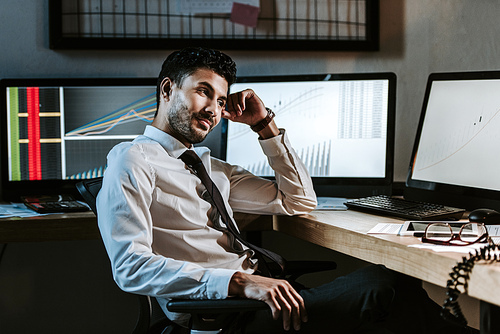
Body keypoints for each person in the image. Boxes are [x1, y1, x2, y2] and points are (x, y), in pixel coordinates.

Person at [97, 47, 471, 333]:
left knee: (397, 285)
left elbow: (298, 201)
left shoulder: (210, 167)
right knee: (383, 288)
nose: (213, 109)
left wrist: (264, 126)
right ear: (167, 89)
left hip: (272, 294)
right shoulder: (132, 161)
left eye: (222, 101)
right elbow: (130, 267)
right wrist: (240, 282)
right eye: (203, 92)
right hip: (227, 313)